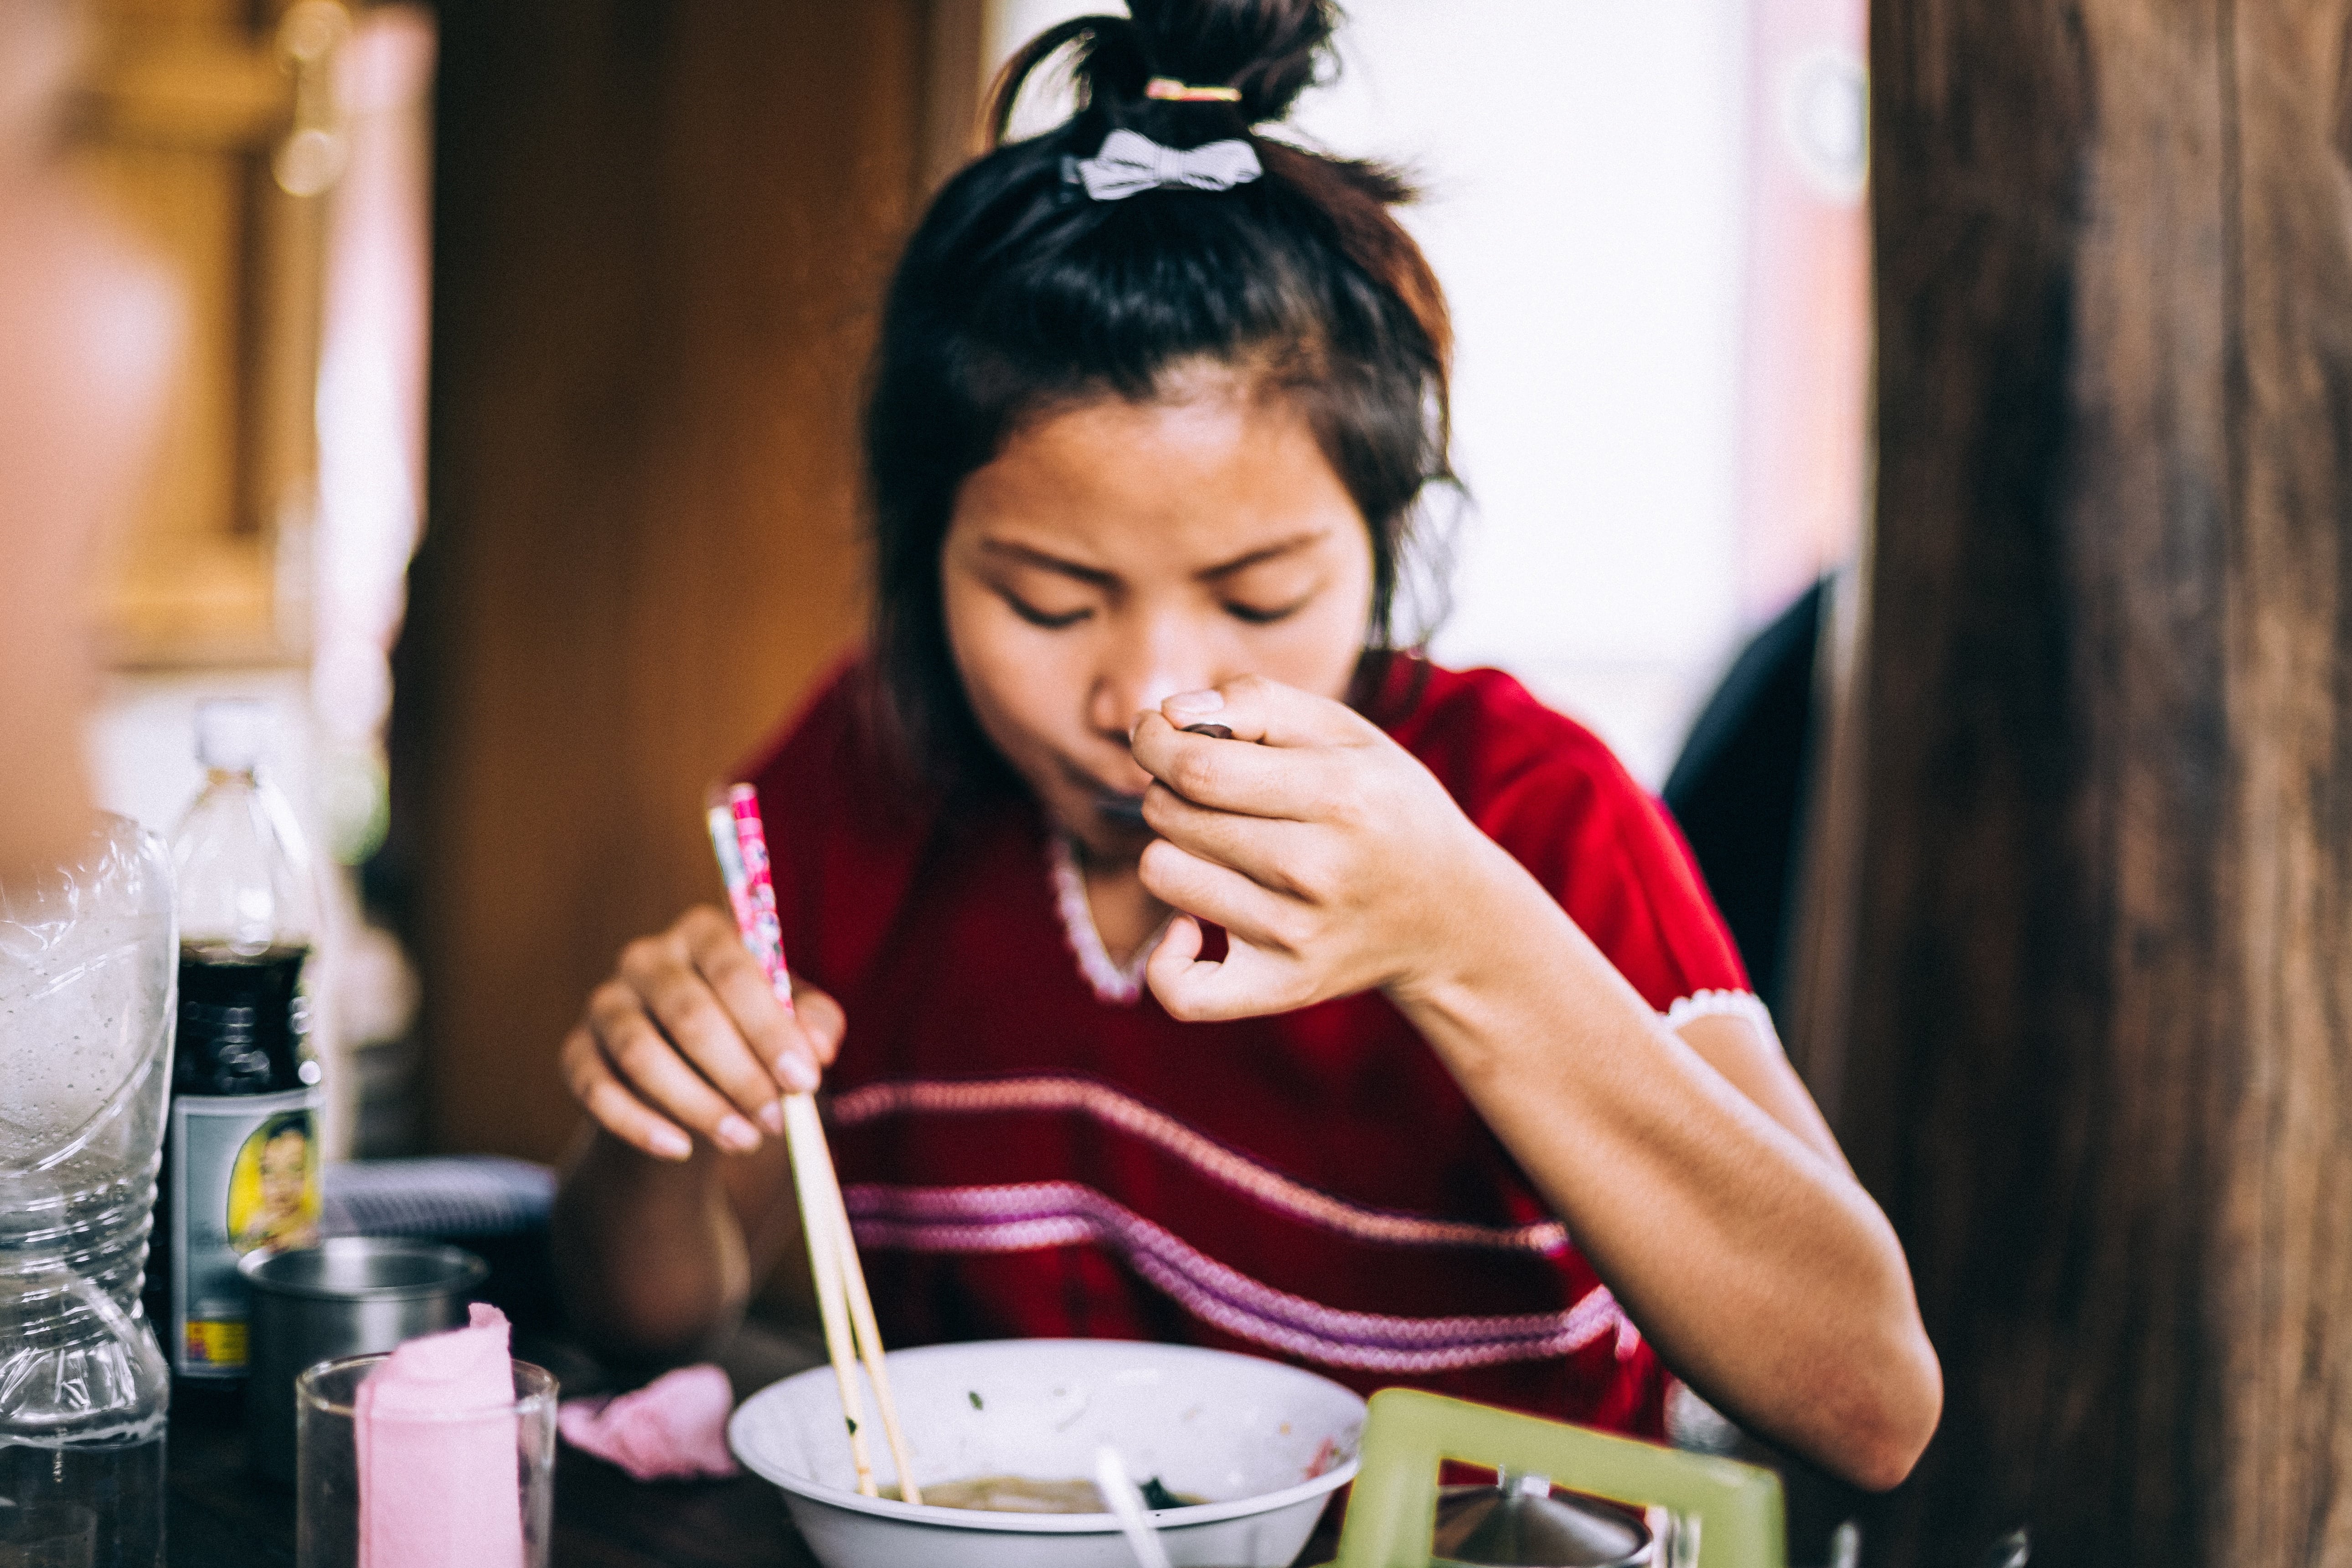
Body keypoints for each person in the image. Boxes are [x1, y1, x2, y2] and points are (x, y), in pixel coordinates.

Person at [550, 0, 1939, 1490]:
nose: (1150, 694)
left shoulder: (1525, 810)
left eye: (1261, 595)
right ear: (925, 557)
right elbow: (646, 1313)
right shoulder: (867, 771)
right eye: (1048, 600)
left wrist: (1458, 939)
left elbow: (1869, 1403)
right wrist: (661, 1123)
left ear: (1384, 545)